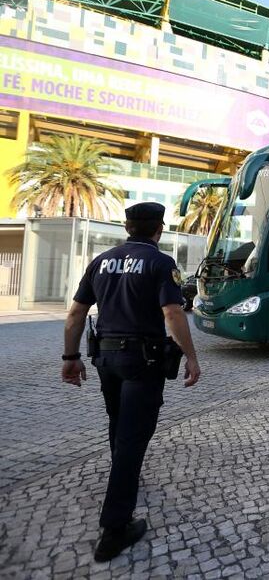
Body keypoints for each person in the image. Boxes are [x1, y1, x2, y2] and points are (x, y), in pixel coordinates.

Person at [61, 202, 202, 562]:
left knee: (119, 423)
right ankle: (114, 528)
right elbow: (172, 313)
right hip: (143, 360)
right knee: (134, 435)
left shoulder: (101, 261)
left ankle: (123, 475)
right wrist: (192, 355)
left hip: (106, 358)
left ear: (127, 227)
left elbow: (76, 312)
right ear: (159, 228)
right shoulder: (161, 263)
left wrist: (70, 357)